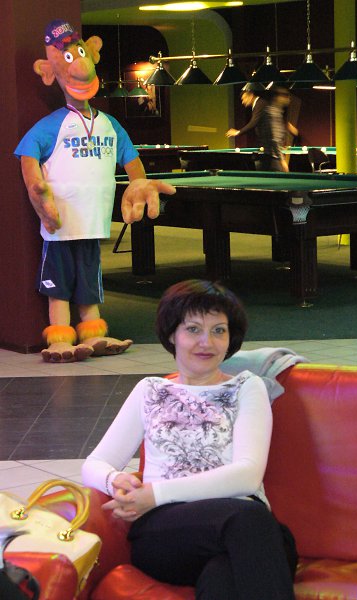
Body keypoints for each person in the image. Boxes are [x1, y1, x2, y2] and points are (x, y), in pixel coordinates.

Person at [82, 279, 298, 599]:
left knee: (225, 576)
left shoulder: (246, 387)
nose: (206, 342)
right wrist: (114, 480)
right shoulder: (151, 390)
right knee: (256, 525)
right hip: (167, 534)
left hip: (241, 528)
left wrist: (155, 493)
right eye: (193, 329)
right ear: (172, 334)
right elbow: (94, 464)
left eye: (218, 330)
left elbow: (248, 476)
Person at [14, 20, 176, 363]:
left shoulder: (109, 124)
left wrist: (139, 184)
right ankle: (59, 337)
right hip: (60, 224)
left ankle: (93, 333)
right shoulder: (52, 125)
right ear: (51, 73)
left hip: (93, 221)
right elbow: (28, 155)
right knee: (58, 283)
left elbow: (130, 160)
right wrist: (37, 192)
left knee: (90, 279)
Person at [226, 83, 298, 172]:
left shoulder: (262, 104)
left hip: (270, 155)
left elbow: (257, 124)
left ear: (251, 95)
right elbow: (272, 135)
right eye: (286, 96)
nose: (243, 102)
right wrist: (281, 157)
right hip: (270, 155)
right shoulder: (268, 108)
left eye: (244, 98)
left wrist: (238, 132)